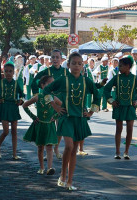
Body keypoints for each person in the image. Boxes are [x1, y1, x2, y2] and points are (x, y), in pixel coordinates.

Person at [43, 52, 101, 190]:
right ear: (68, 65)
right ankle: (63, 175)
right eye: (74, 63)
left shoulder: (86, 81)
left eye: (79, 63)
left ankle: (69, 181)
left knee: (74, 150)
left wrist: (91, 111)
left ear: (82, 66)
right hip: (66, 117)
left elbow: (97, 95)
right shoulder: (63, 80)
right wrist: (55, 106)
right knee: (68, 146)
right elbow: (46, 90)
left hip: (80, 119)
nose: (76, 66)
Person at [104, 56, 137, 160]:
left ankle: (126, 152)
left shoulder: (134, 78)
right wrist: (111, 101)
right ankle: (117, 151)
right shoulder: (117, 78)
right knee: (119, 129)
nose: (119, 68)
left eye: (121, 66)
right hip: (118, 106)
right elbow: (106, 89)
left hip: (130, 107)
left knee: (130, 129)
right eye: (119, 66)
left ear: (128, 66)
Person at [31, 49, 69, 159]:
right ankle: (49, 149)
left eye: (57, 57)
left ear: (61, 59)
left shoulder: (66, 72)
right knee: (49, 126)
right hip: (48, 102)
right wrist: (38, 95)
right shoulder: (46, 72)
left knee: (60, 126)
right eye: (53, 57)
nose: (55, 59)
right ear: (50, 59)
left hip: (60, 102)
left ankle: (56, 148)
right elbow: (35, 82)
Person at [23, 75, 65, 175]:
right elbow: (25, 105)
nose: (52, 86)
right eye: (49, 84)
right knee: (40, 147)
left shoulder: (54, 98)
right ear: (42, 85)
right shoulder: (37, 97)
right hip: (40, 125)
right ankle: (42, 167)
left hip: (50, 126)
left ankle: (49, 167)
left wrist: (55, 116)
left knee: (50, 147)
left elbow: (63, 108)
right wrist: (33, 117)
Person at [0, 62, 25, 159]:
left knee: (14, 131)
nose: (8, 73)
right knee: (6, 131)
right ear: (3, 72)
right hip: (4, 107)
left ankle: (14, 154)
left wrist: (20, 101)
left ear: (14, 72)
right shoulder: (0, 82)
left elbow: (22, 94)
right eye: (6, 71)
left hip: (14, 107)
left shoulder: (16, 83)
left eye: (10, 71)